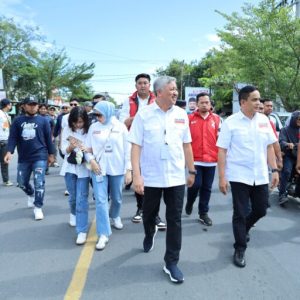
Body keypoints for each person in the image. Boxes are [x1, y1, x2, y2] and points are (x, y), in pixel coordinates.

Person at [128, 76, 196, 284]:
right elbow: (136, 146)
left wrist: (191, 171)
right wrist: (137, 175)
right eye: (172, 89)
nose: (175, 92)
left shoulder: (182, 114)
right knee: (149, 214)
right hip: (151, 177)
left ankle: (171, 262)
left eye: (176, 89)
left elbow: (187, 145)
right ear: (158, 93)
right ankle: (149, 233)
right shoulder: (144, 115)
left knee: (175, 220)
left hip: (175, 176)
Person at [217, 85, 279, 268]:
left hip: (260, 174)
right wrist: (222, 177)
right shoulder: (230, 122)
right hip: (239, 175)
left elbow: (269, 146)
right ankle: (240, 247)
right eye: (254, 100)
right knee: (240, 212)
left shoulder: (264, 121)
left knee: (261, 209)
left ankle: (244, 228)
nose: (258, 103)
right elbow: (221, 150)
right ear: (243, 102)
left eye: (259, 99)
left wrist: (274, 170)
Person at [119, 73, 166, 230]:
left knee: (155, 180)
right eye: (140, 83)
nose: (143, 85)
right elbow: (123, 122)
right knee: (138, 177)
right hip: (136, 143)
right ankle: (140, 208)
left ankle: (156, 214)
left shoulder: (157, 98)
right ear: (136, 85)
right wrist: (140, 116)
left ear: (150, 84)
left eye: (145, 82)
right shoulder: (129, 101)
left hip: (154, 143)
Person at [85, 101, 132, 250]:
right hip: (98, 169)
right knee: (100, 200)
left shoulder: (120, 127)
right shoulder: (93, 127)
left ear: (109, 112)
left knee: (117, 198)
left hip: (117, 169)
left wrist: (128, 170)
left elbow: (128, 149)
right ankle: (103, 233)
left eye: (100, 114)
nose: (97, 117)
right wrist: (91, 161)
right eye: (95, 115)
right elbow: (87, 149)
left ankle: (115, 215)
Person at [4, 97, 55, 220]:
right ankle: (31, 194)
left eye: (35, 104)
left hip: (40, 156)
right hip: (24, 157)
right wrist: (9, 151)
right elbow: (13, 138)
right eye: (30, 104)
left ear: (37, 106)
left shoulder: (43, 121)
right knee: (21, 183)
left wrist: (51, 154)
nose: (33, 106)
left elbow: (49, 139)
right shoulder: (17, 121)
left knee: (39, 182)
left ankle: (38, 206)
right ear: (24, 106)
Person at [185, 93, 221, 225]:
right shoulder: (189, 118)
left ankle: (203, 213)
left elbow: (220, 140)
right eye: (202, 102)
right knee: (195, 185)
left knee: (207, 187)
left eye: (207, 102)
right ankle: (189, 202)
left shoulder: (216, 119)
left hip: (211, 160)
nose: (205, 104)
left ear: (210, 104)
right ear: (197, 104)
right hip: (194, 159)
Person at [60, 107, 90, 244]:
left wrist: (86, 149)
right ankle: (73, 213)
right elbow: (63, 150)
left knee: (81, 199)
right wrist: (70, 147)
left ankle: (81, 231)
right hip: (70, 168)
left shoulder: (89, 130)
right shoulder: (67, 129)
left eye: (81, 122)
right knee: (73, 197)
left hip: (84, 169)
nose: (78, 125)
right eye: (75, 122)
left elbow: (93, 147)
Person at [278, 111, 300, 206]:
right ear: (294, 119)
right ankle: (282, 194)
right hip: (289, 155)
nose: (299, 121)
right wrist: (287, 144)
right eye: (298, 119)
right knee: (287, 171)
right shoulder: (285, 130)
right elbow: (281, 141)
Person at [0, 98, 13, 186]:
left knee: (4, 161)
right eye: (10, 104)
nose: (11, 106)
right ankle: (6, 180)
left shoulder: (6, 115)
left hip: (5, 140)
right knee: (4, 161)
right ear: (7, 105)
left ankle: (6, 180)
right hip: (1, 140)